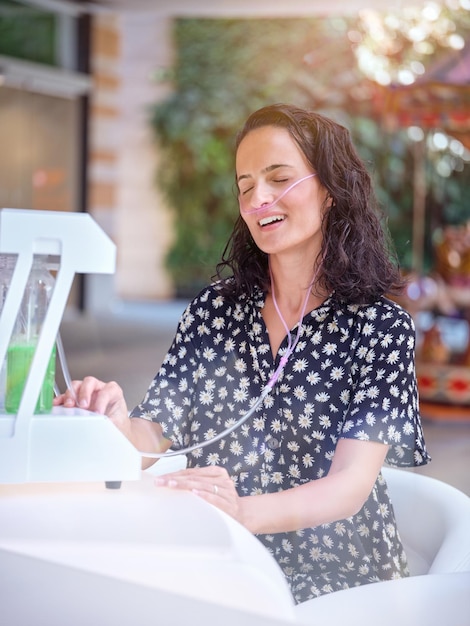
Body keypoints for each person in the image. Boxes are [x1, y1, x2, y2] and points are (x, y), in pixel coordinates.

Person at [55, 103, 430, 603]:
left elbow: (349, 487)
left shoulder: (381, 328)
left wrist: (240, 512)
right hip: (223, 561)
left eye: (279, 178)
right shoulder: (217, 309)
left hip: (338, 580)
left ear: (331, 190)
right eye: (246, 185)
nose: (259, 198)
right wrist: (113, 420)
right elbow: (152, 435)